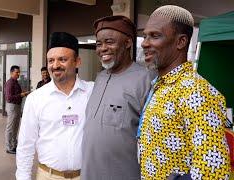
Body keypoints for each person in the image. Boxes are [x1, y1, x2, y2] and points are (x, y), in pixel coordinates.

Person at [139, 5, 230, 179]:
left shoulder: (196, 91)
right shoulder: (161, 85)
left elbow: (213, 171)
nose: (144, 43)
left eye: (155, 36)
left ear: (181, 42)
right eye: (145, 36)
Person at [81, 16, 155, 180]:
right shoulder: (100, 77)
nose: (103, 48)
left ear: (128, 43)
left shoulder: (147, 80)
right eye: (99, 44)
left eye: (109, 42)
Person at [16, 32, 94, 180]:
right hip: (49, 176)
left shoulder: (92, 92)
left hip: (85, 175)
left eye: (62, 59)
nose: (55, 65)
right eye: (51, 60)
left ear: (77, 62)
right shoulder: (36, 99)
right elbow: (26, 146)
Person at [4, 65, 30, 154]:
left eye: (19, 72)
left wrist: (22, 94)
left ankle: (14, 145)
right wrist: (22, 95)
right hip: (12, 106)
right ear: (11, 73)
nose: (18, 74)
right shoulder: (10, 83)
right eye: (16, 72)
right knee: (10, 127)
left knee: (15, 127)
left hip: (17, 106)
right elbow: (9, 97)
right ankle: (9, 147)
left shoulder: (16, 82)